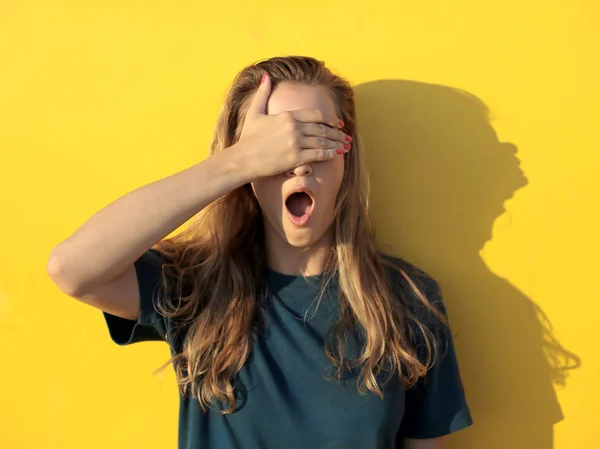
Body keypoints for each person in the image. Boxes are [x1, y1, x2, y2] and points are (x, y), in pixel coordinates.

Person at [47, 56, 473, 449]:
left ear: (348, 157)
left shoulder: (408, 300)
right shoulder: (196, 288)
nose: (299, 163)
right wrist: (238, 162)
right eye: (276, 145)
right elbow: (73, 269)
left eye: (317, 139)